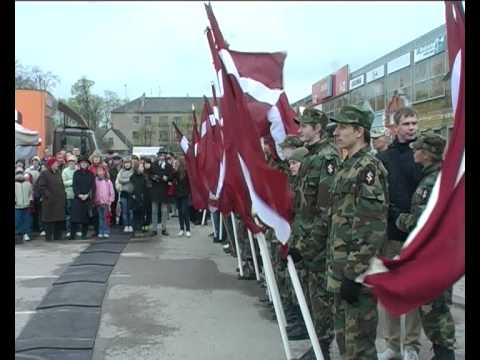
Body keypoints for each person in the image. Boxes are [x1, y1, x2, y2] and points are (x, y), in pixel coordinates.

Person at [327, 103, 388, 359]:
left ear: (359, 131)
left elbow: (372, 227)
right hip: (341, 270)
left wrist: (353, 273)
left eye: (342, 127)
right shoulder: (347, 166)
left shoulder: (368, 169)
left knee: (359, 348)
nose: (336, 133)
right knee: (345, 343)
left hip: (356, 275)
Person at [285, 109, 341, 360]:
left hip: (317, 243)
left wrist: (310, 245)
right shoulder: (312, 156)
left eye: (305, 126)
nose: (300, 130)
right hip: (306, 238)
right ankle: (317, 344)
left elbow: (325, 208)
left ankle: (323, 349)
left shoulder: (327, 158)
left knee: (322, 299)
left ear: (317, 128)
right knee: (312, 295)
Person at [395, 133, 456, 360]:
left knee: (435, 307)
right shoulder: (437, 177)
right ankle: (442, 350)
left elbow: (423, 222)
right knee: (434, 306)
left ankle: (444, 353)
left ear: (428, 154)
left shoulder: (432, 182)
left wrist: (399, 219)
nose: (414, 152)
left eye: (418, 149)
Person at [376, 107, 423, 360]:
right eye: (406, 123)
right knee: (391, 291)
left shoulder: (425, 155)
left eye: (415, 122)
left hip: (419, 236)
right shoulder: (384, 159)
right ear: (394, 128)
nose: (412, 127)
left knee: (414, 291)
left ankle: (412, 345)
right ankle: (392, 344)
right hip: (392, 234)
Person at [36, 158, 66, 241]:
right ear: (51, 165)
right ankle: (48, 237)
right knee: (49, 220)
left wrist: (63, 194)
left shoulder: (58, 173)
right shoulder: (44, 174)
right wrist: (48, 195)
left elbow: (61, 185)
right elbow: (41, 186)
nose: (57, 165)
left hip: (59, 200)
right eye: (56, 163)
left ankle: (57, 236)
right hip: (49, 201)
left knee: (58, 220)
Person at [71, 156, 96, 240]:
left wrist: (87, 195)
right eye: (82, 163)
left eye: (85, 163)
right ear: (79, 164)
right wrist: (79, 194)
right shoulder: (76, 173)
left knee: (85, 218)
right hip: (77, 198)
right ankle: (72, 235)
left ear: (88, 164)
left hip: (87, 198)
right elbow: (74, 185)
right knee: (74, 217)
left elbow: (93, 187)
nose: (84, 164)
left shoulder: (91, 174)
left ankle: (84, 234)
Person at [149, 151, 173, 236]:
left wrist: (167, 178)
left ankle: (164, 228)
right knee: (154, 210)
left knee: (164, 211)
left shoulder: (168, 166)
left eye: (163, 156)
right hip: (155, 189)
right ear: (158, 156)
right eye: (160, 155)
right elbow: (150, 174)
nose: (162, 157)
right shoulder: (154, 164)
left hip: (164, 189)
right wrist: (154, 177)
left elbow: (171, 177)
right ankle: (154, 229)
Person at [173, 157, 192, 237]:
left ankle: (188, 229)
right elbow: (171, 178)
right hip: (178, 194)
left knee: (185, 211)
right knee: (180, 212)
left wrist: (189, 193)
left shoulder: (187, 172)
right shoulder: (176, 172)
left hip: (185, 194)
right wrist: (174, 169)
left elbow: (189, 183)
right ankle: (181, 229)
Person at [94, 165, 115, 238]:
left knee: (106, 217)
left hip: (106, 203)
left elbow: (111, 192)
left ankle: (106, 231)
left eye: (101, 171)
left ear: (104, 172)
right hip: (98, 202)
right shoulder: (95, 181)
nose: (100, 172)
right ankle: (101, 231)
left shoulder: (108, 181)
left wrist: (110, 201)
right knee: (100, 218)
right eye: (98, 171)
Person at [115, 157, 135, 233]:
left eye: (128, 163)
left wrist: (126, 180)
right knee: (124, 211)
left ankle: (131, 225)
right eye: (125, 163)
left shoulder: (133, 171)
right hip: (123, 193)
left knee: (130, 211)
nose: (127, 165)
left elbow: (133, 180)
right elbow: (120, 180)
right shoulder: (121, 171)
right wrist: (128, 179)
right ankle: (126, 225)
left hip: (131, 194)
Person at [15, 166, 33, 242]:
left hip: (26, 205)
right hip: (17, 206)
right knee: (18, 220)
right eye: (17, 173)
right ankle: (19, 234)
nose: (19, 175)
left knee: (27, 220)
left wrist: (30, 200)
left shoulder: (28, 184)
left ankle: (26, 234)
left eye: (20, 173)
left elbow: (31, 193)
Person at [62, 154, 77, 238]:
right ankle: (68, 230)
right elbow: (63, 183)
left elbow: (79, 182)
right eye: (70, 162)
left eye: (73, 162)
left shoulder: (77, 170)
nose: (72, 164)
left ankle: (77, 230)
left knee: (77, 213)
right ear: (68, 163)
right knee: (68, 215)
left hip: (76, 195)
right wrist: (73, 182)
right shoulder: (64, 171)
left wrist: (71, 182)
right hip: (68, 195)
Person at [130, 162, 147, 235]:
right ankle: (136, 229)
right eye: (141, 167)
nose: (143, 168)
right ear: (137, 168)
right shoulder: (132, 177)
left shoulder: (144, 176)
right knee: (135, 215)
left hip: (143, 198)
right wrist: (133, 195)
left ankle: (141, 228)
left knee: (142, 214)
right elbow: (131, 187)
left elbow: (146, 187)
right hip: (135, 198)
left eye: (143, 167)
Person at [108, 153, 122, 226]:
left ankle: (121, 221)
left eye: (118, 159)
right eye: (115, 159)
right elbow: (110, 180)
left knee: (121, 206)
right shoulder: (111, 169)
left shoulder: (123, 168)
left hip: (122, 189)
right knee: (113, 205)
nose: (116, 161)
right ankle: (112, 220)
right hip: (113, 189)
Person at [143, 158, 153, 231]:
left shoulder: (153, 171)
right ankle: (143, 223)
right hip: (144, 192)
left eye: (148, 163)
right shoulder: (142, 172)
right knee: (144, 209)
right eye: (145, 163)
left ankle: (148, 223)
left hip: (151, 192)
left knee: (149, 209)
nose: (147, 165)